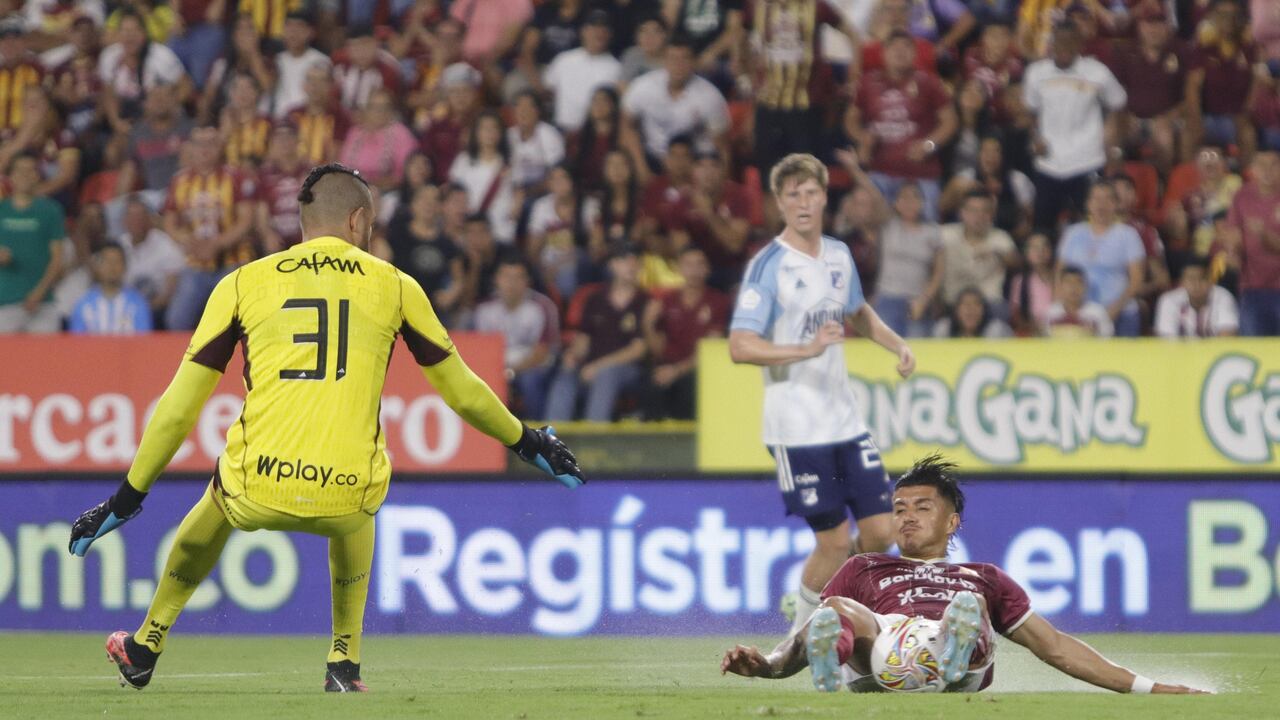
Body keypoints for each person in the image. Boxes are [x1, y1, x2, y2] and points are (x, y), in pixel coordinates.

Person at [68, 163, 585, 694]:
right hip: (346, 500)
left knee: (219, 495)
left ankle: (147, 643)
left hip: (255, 490)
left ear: (302, 221)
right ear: (359, 220)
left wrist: (126, 499)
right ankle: (344, 662)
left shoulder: (243, 283)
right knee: (366, 478)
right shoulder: (396, 285)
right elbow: (463, 392)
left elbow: (178, 408)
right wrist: (528, 441)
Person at [720, 455, 1207, 696]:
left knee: (967, 609)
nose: (905, 517)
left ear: (952, 521)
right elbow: (804, 637)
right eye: (898, 509)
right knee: (836, 610)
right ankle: (841, 668)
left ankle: (952, 655)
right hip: (885, 651)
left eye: (921, 507)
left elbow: (1055, 646)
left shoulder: (984, 577)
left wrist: (1149, 687)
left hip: (956, 643)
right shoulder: (864, 565)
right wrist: (767, 663)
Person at [729, 153, 915, 637]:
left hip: (845, 421)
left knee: (881, 533)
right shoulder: (767, 267)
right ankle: (799, 637)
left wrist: (896, 344)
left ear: (825, 197)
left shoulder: (837, 255)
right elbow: (740, 346)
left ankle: (828, 602)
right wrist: (804, 349)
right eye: (793, 194)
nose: (804, 202)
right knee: (832, 542)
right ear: (779, 202)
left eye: (812, 192)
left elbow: (857, 312)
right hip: (796, 427)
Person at [1023, 21, 1126, 232]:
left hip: (1087, 160)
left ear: (1080, 45)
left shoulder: (1097, 72)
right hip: (1049, 163)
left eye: (1070, 44)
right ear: (1051, 44)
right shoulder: (1036, 73)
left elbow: (1119, 104)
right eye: (1059, 43)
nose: (1064, 49)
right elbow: (1030, 112)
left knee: (1091, 223)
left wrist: (1113, 145)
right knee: (1042, 226)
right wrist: (1035, 139)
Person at [850, 30, 956, 222]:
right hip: (879, 171)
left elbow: (950, 120)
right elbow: (850, 119)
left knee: (927, 233)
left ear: (915, 54)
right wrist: (862, 137)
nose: (900, 52)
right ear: (884, 53)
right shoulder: (867, 82)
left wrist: (929, 144)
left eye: (906, 47)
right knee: (866, 221)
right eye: (894, 47)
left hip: (920, 174)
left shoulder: (928, 82)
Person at [161, 126, 256, 331]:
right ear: (190, 148)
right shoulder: (180, 181)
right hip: (195, 263)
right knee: (176, 320)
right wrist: (187, 241)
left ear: (220, 147)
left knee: (240, 321)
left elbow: (246, 220)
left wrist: (217, 244)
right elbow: (169, 222)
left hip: (233, 261)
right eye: (199, 144)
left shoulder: (236, 178)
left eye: (211, 143)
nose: (205, 149)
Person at [546, 242, 649, 421]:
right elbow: (585, 338)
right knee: (565, 376)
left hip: (628, 370)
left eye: (635, 261)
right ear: (613, 265)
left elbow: (638, 349)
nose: (631, 265)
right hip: (590, 366)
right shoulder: (595, 299)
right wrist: (573, 355)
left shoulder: (645, 301)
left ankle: (594, 438)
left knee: (606, 376)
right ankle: (551, 440)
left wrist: (599, 366)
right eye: (625, 260)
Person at [642, 245, 730, 420]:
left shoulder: (719, 301)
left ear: (707, 269)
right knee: (650, 382)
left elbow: (711, 350)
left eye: (699, 264)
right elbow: (658, 350)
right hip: (667, 366)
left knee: (689, 385)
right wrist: (648, 323)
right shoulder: (666, 301)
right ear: (679, 269)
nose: (694, 270)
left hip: (699, 369)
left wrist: (676, 371)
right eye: (688, 265)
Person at [473, 254, 561, 419]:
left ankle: (535, 433)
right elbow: (480, 349)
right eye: (506, 277)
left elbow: (541, 353)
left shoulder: (542, 306)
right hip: (496, 364)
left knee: (530, 381)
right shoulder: (484, 309)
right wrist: (497, 371)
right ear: (496, 279)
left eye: (517, 278)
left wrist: (510, 372)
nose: (511, 283)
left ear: (527, 281)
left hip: (533, 365)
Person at [1056, 181, 1145, 336]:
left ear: (1116, 204)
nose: (1101, 204)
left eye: (1107, 199)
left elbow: (1136, 280)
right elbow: (1059, 274)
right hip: (1080, 313)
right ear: (1088, 204)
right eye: (1096, 199)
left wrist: (1111, 312)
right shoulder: (1072, 233)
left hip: (1120, 312)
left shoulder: (1128, 235)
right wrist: (1059, 309)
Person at [0, 153, 66, 334]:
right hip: (5, 301)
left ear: (38, 175)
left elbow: (57, 257)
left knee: (46, 360)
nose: (25, 175)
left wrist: (39, 292)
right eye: (20, 171)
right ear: (10, 176)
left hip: (43, 303)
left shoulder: (50, 211)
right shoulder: (1, 210)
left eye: (31, 171)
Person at [1224, 151, 1280, 336]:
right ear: (1253, 169)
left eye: (1273, 165)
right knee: (1254, 347)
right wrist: (1233, 249)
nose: (1267, 171)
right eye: (1262, 165)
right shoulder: (1242, 196)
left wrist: (1265, 235)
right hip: (1252, 288)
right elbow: (1233, 232)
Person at [939, 191, 1019, 317]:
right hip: (952, 303)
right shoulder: (945, 234)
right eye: (973, 210)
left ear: (992, 215)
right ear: (962, 213)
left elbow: (1016, 263)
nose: (979, 216)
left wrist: (997, 253)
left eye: (985, 211)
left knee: (1000, 317)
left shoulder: (1000, 237)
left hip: (989, 304)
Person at [542, 10, 621, 133]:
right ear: (583, 31)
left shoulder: (617, 68)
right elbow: (547, 91)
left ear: (609, 34)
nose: (598, 33)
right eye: (593, 28)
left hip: (593, 134)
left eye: (603, 29)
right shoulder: (564, 59)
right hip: (561, 129)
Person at [68, 242, 153, 334]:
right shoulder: (83, 305)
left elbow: (144, 341)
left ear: (125, 267)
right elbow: (76, 343)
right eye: (107, 261)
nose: (112, 267)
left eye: (117, 261)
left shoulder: (138, 304)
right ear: (98, 267)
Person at [1154, 257, 1240, 338]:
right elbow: (1166, 343)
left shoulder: (1223, 297)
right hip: (1180, 353)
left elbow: (1227, 339)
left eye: (1202, 278)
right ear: (1182, 282)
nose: (1197, 285)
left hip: (1215, 353)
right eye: (1191, 279)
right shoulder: (1168, 300)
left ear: (1211, 280)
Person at [1046, 265, 1114, 338]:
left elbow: (1107, 338)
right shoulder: (1052, 312)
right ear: (1060, 286)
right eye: (1068, 282)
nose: (1073, 287)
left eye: (1078, 282)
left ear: (1085, 286)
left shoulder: (1097, 312)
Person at [932, 287, 1013, 338]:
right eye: (966, 304)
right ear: (956, 310)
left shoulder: (996, 330)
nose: (971, 309)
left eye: (977, 304)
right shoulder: (944, 329)